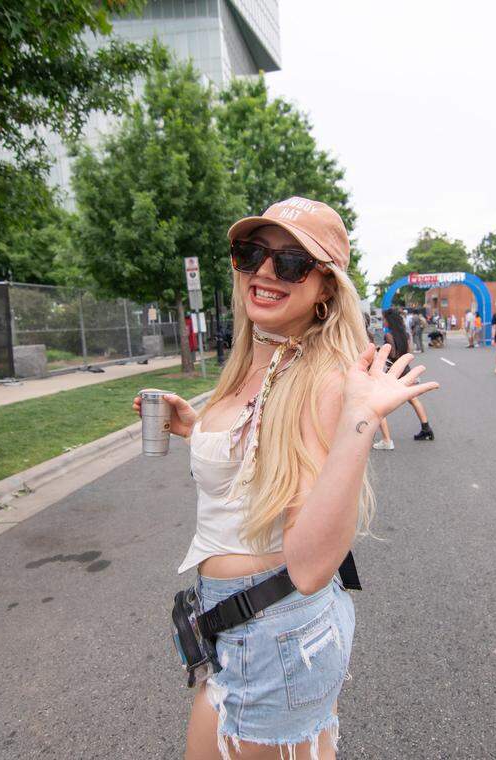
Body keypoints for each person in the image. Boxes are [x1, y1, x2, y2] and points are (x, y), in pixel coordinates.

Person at [134, 197, 438, 759]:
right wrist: (201, 431)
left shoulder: (324, 379)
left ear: (326, 288)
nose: (266, 271)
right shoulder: (254, 358)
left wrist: (359, 422)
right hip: (234, 624)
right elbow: (260, 459)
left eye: (292, 262)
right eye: (252, 253)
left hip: (274, 629)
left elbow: (311, 566)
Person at [373, 307, 436, 450]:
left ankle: (386, 439)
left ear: (389, 320)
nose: (383, 321)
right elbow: (408, 351)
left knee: (380, 402)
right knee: (414, 400)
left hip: (395, 372)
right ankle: (426, 428)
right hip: (406, 369)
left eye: (384, 319)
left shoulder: (388, 336)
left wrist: (380, 350)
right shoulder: (405, 334)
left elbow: (393, 354)